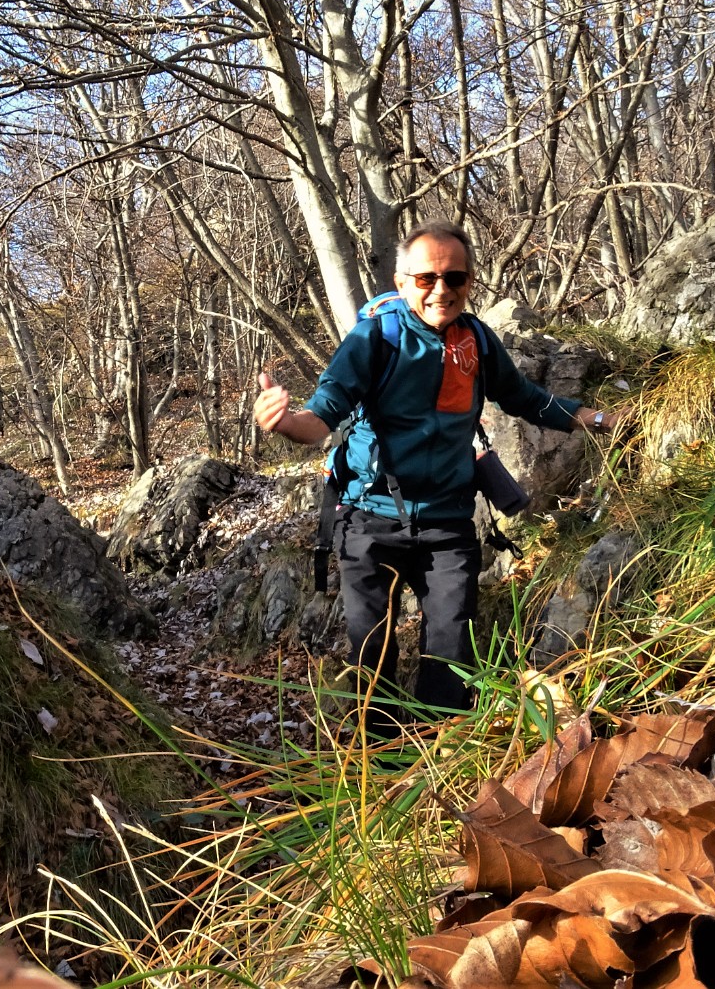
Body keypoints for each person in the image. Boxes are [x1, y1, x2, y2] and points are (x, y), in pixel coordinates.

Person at [253, 220, 618, 738]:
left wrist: (598, 419)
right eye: (426, 278)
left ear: (470, 282)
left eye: (455, 278)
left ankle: (437, 754)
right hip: (368, 515)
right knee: (371, 648)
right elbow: (325, 412)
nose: (441, 290)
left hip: (448, 519)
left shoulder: (476, 340)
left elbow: (524, 398)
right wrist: (286, 422)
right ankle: (377, 759)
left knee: (450, 642)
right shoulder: (375, 337)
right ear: (402, 283)